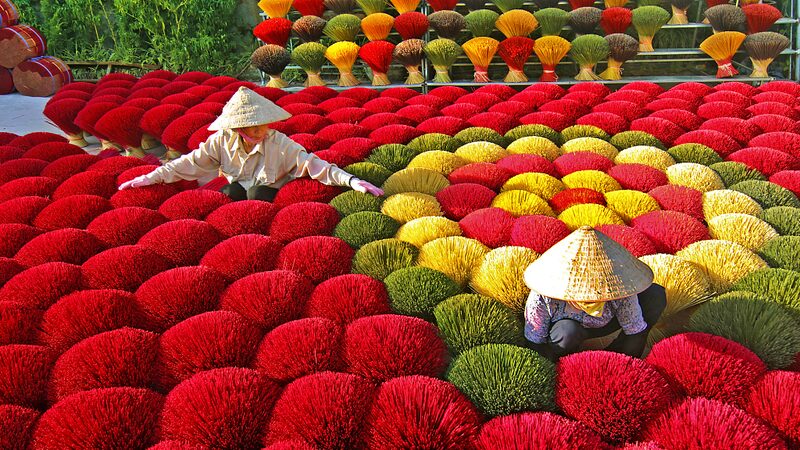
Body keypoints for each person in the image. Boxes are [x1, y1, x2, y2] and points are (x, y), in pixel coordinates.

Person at [119, 87, 384, 201]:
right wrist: (149, 178)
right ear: (237, 128)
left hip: (270, 196)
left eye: (263, 124)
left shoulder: (279, 143)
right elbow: (186, 163)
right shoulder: (220, 142)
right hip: (240, 192)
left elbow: (314, 165)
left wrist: (352, 181)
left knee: (256, 193)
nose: (260, 130)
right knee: (228, 192)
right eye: (252, 127)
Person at [523, 226, 666, 360]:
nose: (590, 296)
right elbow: (535, 341)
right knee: (567, 332)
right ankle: (565, 359)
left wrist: (624, 363)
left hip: (606, 324)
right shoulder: (544, 293)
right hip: (566, 331)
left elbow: (635, 331)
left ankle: (613, 353)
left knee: (655, 295)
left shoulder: (618, 286)